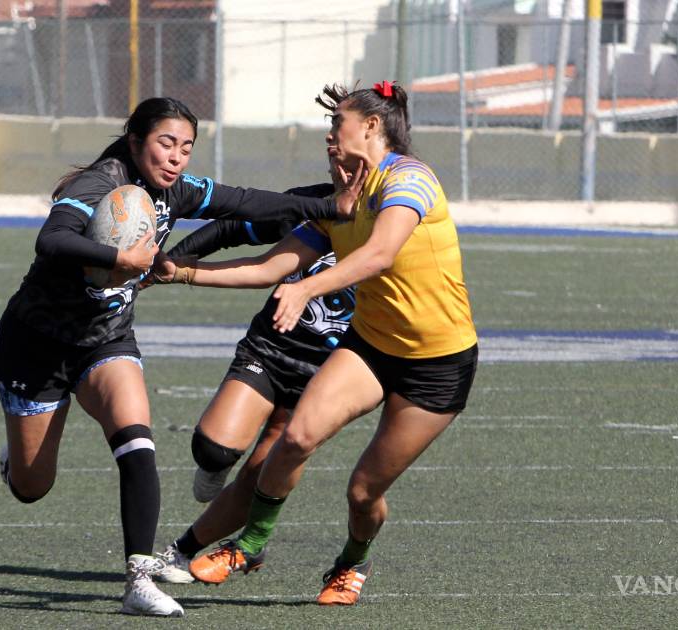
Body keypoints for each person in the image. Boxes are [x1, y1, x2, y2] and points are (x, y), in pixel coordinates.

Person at [0, 96, 361, 617]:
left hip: (105, 339)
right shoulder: (96, 185)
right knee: (33, 486)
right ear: (136, 139)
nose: (176, 157)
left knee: (136, 440)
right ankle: (16, 461)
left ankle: (137, 581)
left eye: (186, 148)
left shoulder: (176, 191)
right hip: (36, 345)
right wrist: (120, 257)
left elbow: (245, 203)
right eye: (166, 143)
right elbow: (52, 240)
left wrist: (329, 207)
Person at [174, 81, 479, 606]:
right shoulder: (339, 203)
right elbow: (269, 267)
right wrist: (180, 272)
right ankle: (250, 545)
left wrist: (306, 289)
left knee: (363, 491)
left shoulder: (409, 178)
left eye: (338, 123)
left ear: (372, 126)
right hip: (370, 348)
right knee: (295, 438)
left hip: (437, 365)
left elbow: (380, 253)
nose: (330, 136)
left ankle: (352, 562)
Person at [143, 181, 356, 584]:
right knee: (214, 448)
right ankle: (216, 466)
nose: (342, 167)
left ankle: (182, 552)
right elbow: (234, 232)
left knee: (262, 477)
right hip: (270, 349)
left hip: (331, 371)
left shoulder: (399, 224)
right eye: (335, 158)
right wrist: (174, 263)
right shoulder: (316, 204)